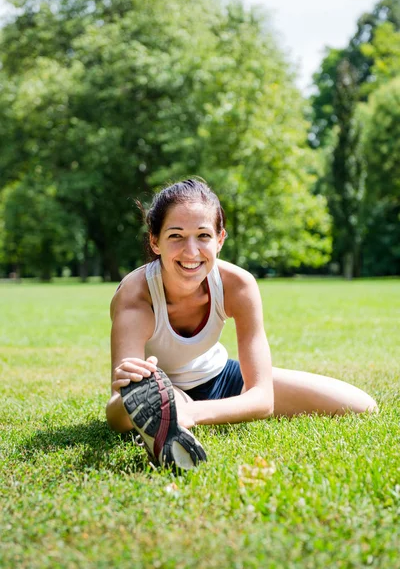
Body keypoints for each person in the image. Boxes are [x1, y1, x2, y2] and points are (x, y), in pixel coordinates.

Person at [106, 179, 377, 470]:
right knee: (159, 400)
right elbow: (114, 415)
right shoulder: (136, 296)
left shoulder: (238, 285)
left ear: (220, 239)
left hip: (222, 377)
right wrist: (133, 396)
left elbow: (262, 399)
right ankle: (162, 423)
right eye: (176, 236)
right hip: (163, 390)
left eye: (203, 235)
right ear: (154, 241)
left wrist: (191, 413)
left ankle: (171, 424)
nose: (191, 251)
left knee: (361, 406)